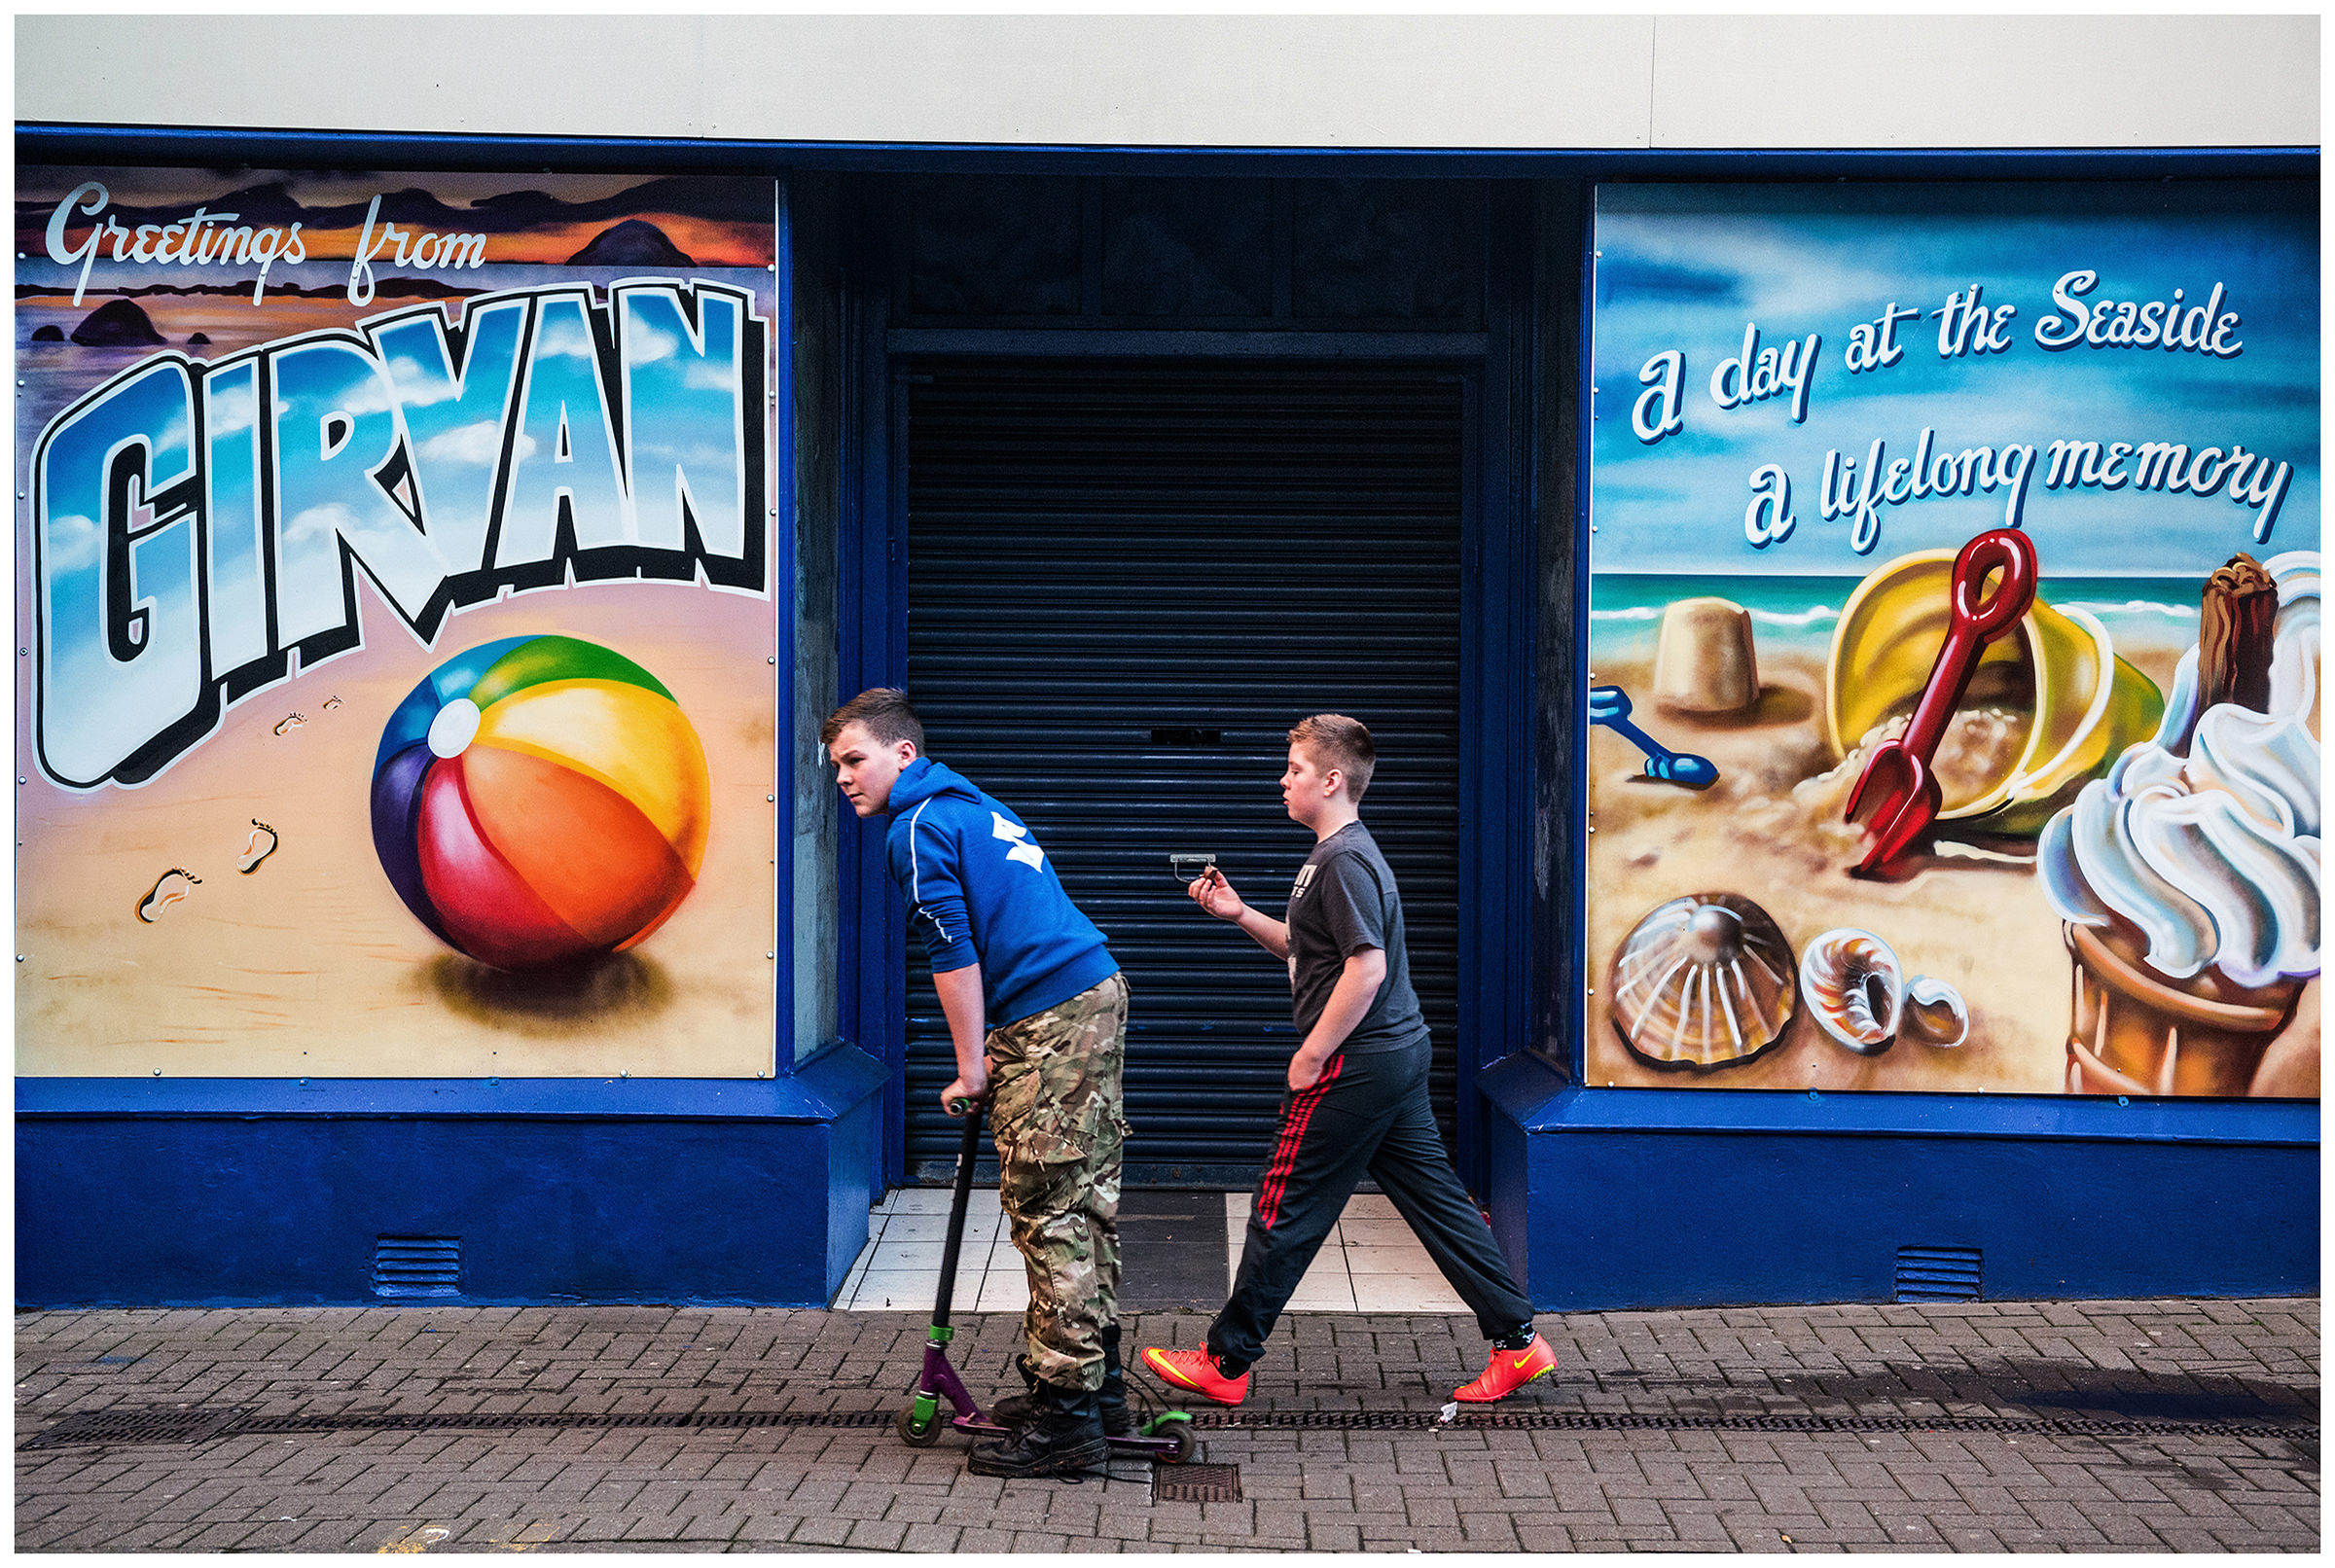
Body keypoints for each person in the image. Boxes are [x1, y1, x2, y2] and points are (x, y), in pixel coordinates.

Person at [1141, 714, 1555, 1407]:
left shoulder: (1342, 861)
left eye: (1296, 769)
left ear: (1332, 781)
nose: (1284, 779)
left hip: (1356, 1064)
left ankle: (1226, 1362)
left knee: (1282, 1206)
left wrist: (1312, 1052)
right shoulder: (1335, 857)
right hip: (1393, 1056)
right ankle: (1519, 1344)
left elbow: (1366, 969)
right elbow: (1318, 957)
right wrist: (1240, 914)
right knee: (1440, 1204)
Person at [823, 688, 1132, 1478]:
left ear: (903, 754)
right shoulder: (966, 803)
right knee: (1083, 1203)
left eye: (855, 760)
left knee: (1051, 1211)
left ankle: (1068, 1427)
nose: (843, 779)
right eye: (835, 767)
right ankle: (1096, 1391)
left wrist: (971, 1067)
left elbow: (952, 956)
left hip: (1052, 1016)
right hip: (1089, 994)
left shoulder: (918, 829)